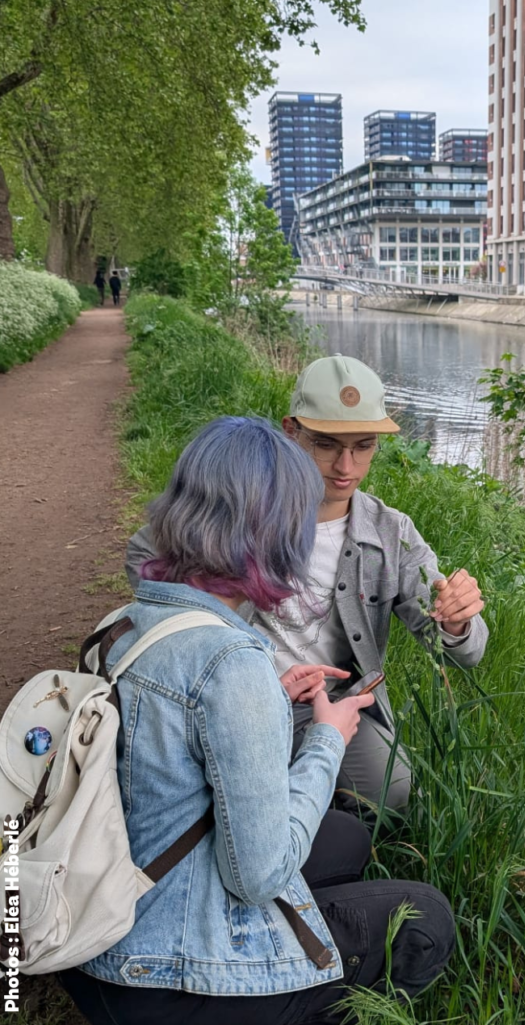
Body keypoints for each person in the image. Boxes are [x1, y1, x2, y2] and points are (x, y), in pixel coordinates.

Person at [62, 416, 454, 1025]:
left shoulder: (127, 622)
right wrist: (327, 740)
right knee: (425, 917)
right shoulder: (230, 661)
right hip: (161, 978)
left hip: (99, 928)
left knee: (346, 837)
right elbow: (257, 875)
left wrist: (268, 696)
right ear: (275, 533)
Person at [126, 355, 488, 814]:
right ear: (290, 430)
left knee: (390, 794)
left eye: (364, 446)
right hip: (229, 695)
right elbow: (145, 554)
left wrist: (457, 622)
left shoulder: (391, 533)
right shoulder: (236, 510)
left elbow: (466, 653)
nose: (345, 466)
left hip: (333, 703)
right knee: (207, 799)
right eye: (325, 444)